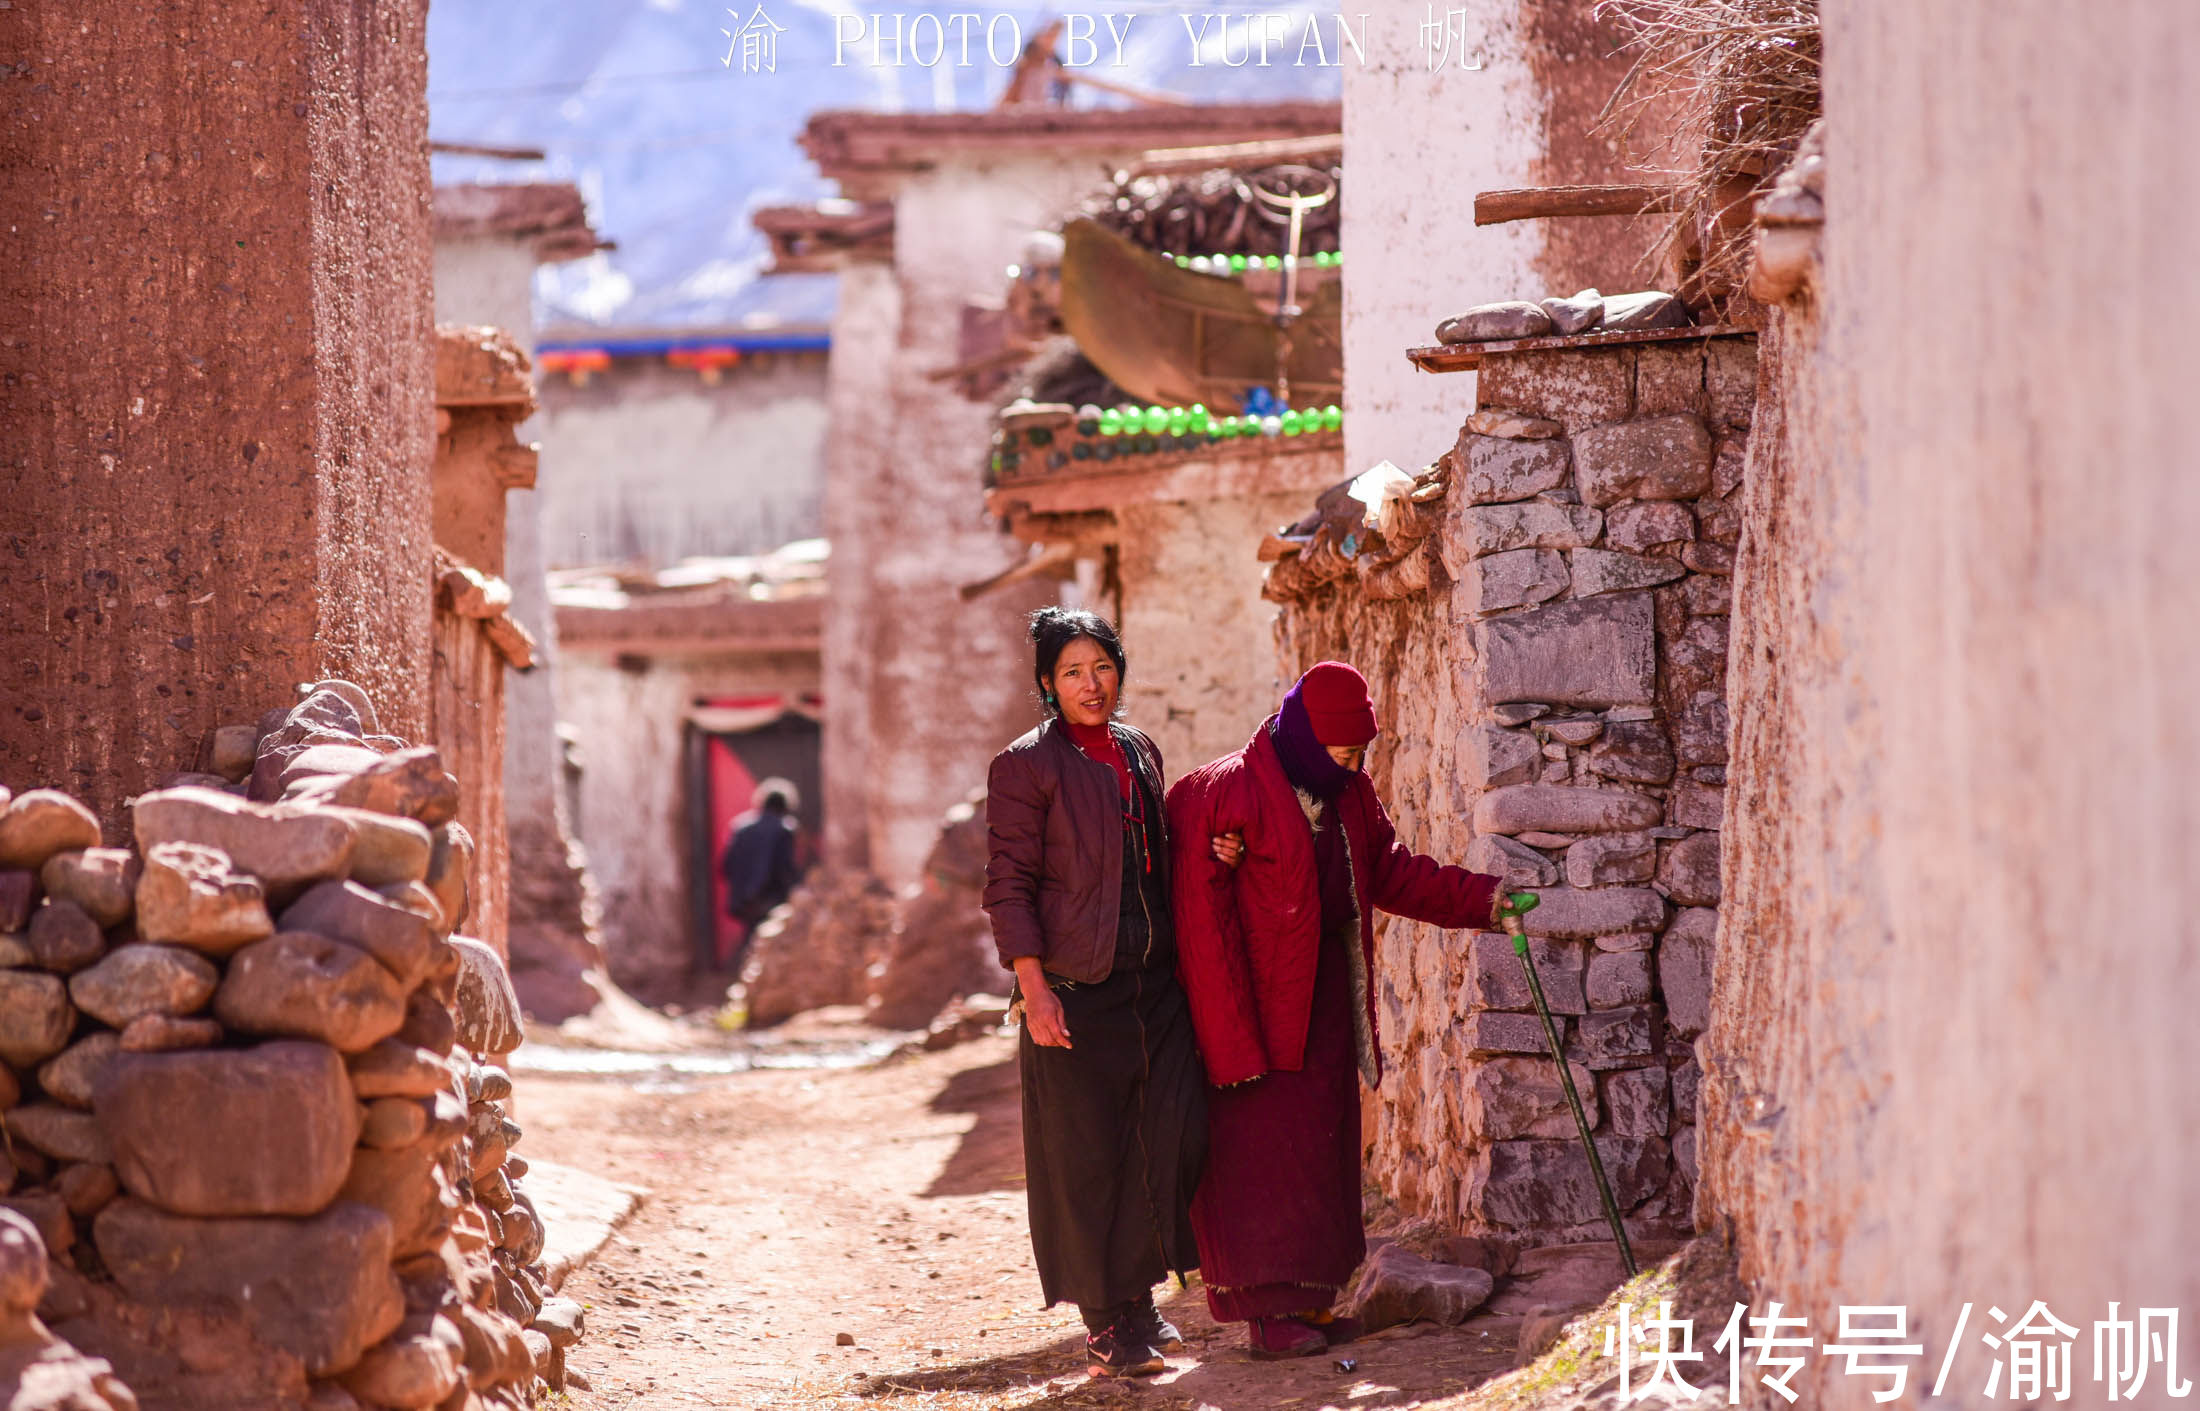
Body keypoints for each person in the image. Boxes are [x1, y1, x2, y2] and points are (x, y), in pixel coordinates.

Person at [1165, 661, 1503, 1360]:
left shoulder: (1348, 795)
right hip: (1250, 1014)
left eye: (1358, 755)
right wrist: (1230, 1043)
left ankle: (1311, 1300)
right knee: (1256, 1160)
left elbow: (1391, 871)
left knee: (1317, 1154)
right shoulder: (1225, 794)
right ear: (1305, 739)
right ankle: (1265, 1314)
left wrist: (1485, 901)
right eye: (1341, 753)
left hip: (1318, 1002)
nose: (1350, 765)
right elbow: (1203, 929)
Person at [981, 608, 1208, 1378]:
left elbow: (1158, 856)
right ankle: (1109, 1320)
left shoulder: (1139, 748)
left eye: (1102, 667)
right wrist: (1033, 988)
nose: (1091, 684)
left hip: (1153, 982)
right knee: (1089, 1158)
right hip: (1076, 989)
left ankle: (1138, 1296)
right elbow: (1007, 886)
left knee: (1169, 1135)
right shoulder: (1026, 766)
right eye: (1072, 671)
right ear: (1048, 683)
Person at [717, 779, 802, 971]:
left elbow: (725, 867)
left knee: (752, 941)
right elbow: (784, 868)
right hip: (769, 899)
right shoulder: (784, 829)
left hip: (743, 901)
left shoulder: (740, 827)